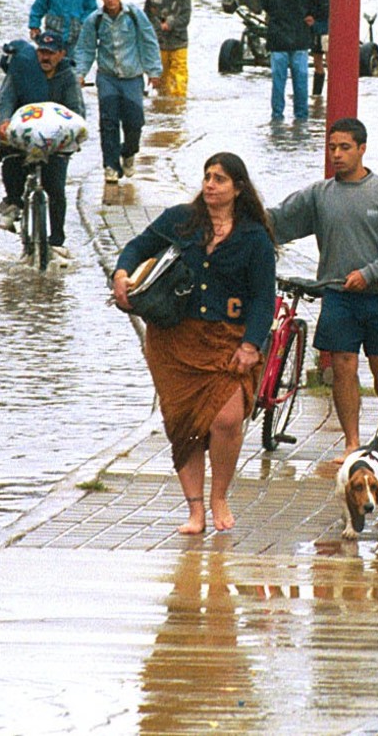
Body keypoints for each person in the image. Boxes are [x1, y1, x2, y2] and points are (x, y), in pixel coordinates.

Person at [111, 152, 277, 535]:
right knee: (182, 422)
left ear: (238, 188)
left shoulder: (254, 238)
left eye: (219, 179)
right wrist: (122, 272)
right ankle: (196, 510)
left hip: (228, 339)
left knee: (228, 417)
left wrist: (252, 344)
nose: (210, 185)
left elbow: (263, 299)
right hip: (174, 339)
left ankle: (220, 496)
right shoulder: (179, 221)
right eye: (206, 176)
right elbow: (138, 246)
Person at [267, 117, 378, 459]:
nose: (337, 154)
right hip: (337, 294)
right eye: (332, 148)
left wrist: (370, 272)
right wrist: (237, 213)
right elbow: (279, 221)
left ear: (362, 149)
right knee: (342, 367)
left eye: (345, 148)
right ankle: (351, 441)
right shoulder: (320, 195)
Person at [0, 32, 83, 264]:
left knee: (56, 188)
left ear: (61, 54)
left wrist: (70, 134)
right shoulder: (22, 69)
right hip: (24, 139)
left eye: (51, 53)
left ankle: (57, 241)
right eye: (42, 52)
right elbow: (5, 99)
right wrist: (4, 122)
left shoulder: (68, 76)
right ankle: (13, 202)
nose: (46, 57)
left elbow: (77, 111)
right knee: (11, 162)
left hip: (56, 143)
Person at [73, 0, 162, 183]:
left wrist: (154, 71)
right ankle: (110, 166)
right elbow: (85, 49)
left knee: (135, 122)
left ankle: (129, 153)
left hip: (132, 77)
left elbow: (149, 41)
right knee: (108, 122)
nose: (110, 0)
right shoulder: (94, 19)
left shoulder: (134, 15)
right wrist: (79, 73)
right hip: (107, 77)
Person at [259, 0, 328, 121]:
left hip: (278, 42)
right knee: (301, 82)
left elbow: (262, 5)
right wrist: (315, 16)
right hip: (300, 41)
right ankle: (301, 117)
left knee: (278, 82)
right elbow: (327, 0)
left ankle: (277, 117)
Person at [144, 0, 192, 98]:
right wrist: (154, 28)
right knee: (161, 79)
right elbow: (146, 14)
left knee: (179, 78)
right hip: (159, 42)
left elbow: (185, 18)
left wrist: (170, 24)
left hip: (178, 42)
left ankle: (178, 105)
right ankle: (162, 106)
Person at [298, 0, 332, 97]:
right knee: (317, 61)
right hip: (308, 25)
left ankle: (333, 92)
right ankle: (316, 95)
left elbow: (327, 2)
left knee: (329, 59)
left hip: (323, 24)